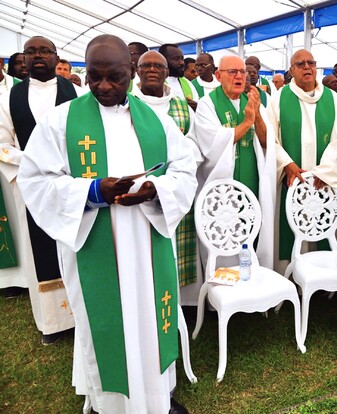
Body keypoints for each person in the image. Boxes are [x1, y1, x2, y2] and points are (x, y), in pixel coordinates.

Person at [17, 34, 196, 414]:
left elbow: (185, 170)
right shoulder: (61, 121)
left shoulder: (156, 121)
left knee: (150, 318)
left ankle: (156, 398)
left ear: (131, 71)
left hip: (146, 242)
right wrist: (93, 191)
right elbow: (35, 181)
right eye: (94, 76)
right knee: (106, 324)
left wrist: (155, 190)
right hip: (94, 244)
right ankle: (110, 405)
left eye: (114, 77)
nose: (103, 86)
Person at [0, 36, 82, 343]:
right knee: (40, 252)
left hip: (69, 183)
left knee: (73, 244)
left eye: (45, 51)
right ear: (22, 58)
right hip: (32, 184)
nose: (38, 56)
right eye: (31, 51)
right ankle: (52, 324)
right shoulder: (10, 97)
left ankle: (80, 315)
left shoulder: (76, 92)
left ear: (56, 56)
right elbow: (3, 143)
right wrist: (35, 162)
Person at [132, 50, 203, 305]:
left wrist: (179, 154)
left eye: (158, 66)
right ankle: (147, 300)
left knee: (179, 245)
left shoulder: (181, 105)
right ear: (137, 71)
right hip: (141, 191)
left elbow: (195, 141)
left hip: (176, 187)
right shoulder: (127, 104)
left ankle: (183, 301)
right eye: (146, 66)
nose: (152, 70)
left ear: (166, 72)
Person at [195, 55, 276, 270]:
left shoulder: (252, 101)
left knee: (253, 230)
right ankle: (224, 277)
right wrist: (247, 121)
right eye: (232, 72)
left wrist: (257, 115)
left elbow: (267, 142)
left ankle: (254, 275)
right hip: (222, 184)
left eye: (243, 72)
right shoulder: (207, 104)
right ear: (218, 75)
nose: (239, 76)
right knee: (225, 235)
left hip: (252, 179)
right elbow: (212, 144)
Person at [268, 49, 337, 272]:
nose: (306, 67)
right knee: (289, 229)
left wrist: (324, 171)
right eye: (300, 64)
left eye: (310, 63)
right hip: (293, 178)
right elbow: (271, 138)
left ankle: (322, 273)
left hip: (322, 180)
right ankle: (290, 273)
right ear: (291, 71)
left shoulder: (332, 98)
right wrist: (287, 164)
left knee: (321, 224)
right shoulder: (279, 98)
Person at [159, 43, 198, 111]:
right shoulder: (157, 83)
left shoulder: (188, 84)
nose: (182, 63)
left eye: (182, 59)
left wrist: (196, 107)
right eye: (176, 59)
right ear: (163, 60)